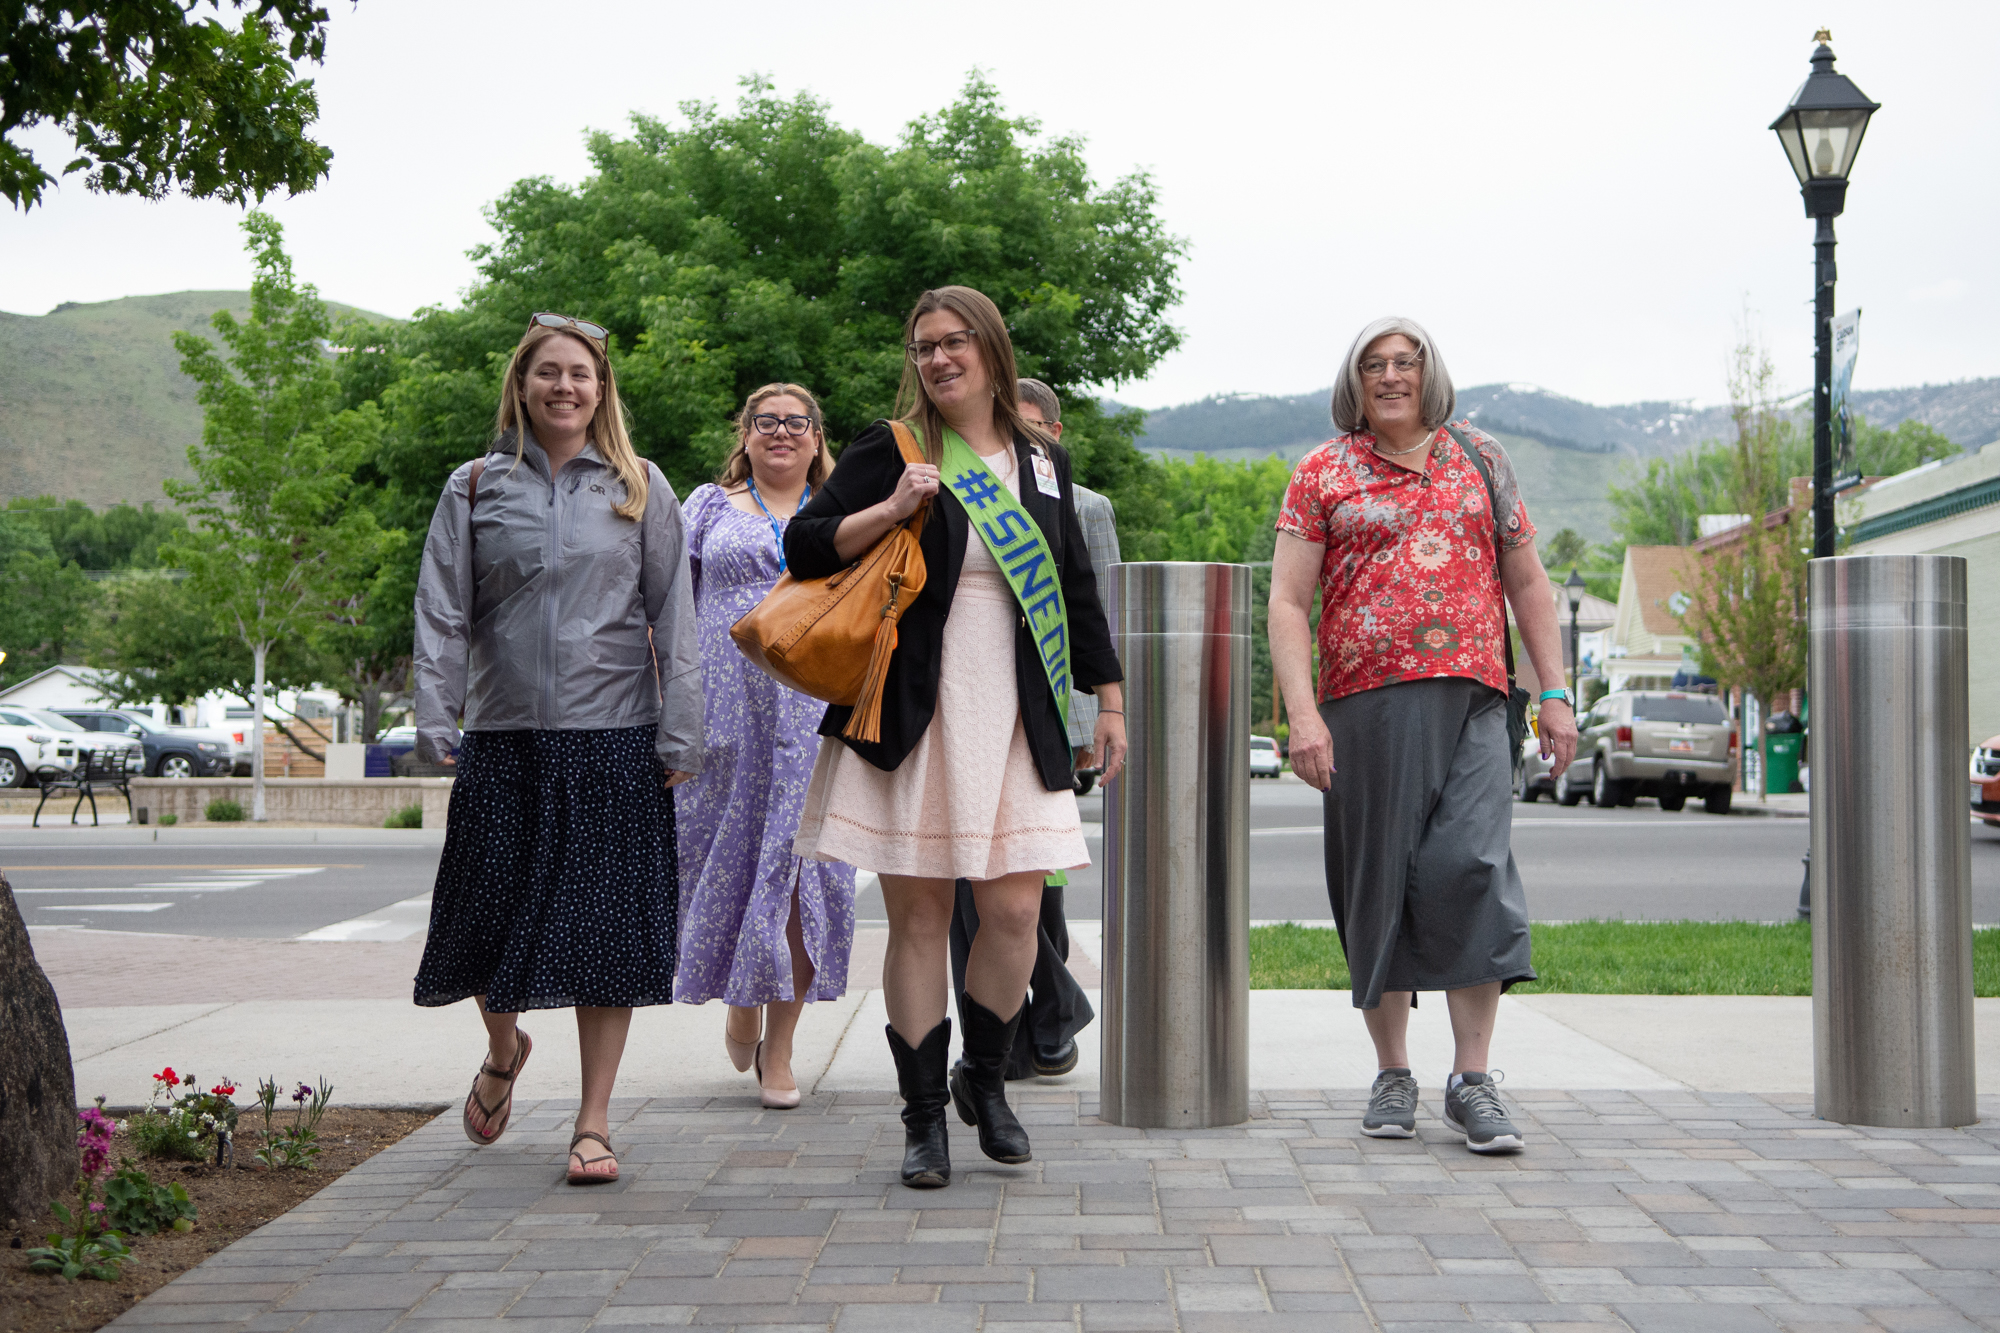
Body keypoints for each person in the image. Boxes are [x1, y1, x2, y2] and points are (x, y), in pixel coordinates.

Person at [787, 286, 1126, 1190]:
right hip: (916, 707)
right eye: (924, 346)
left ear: (990, 349)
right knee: (922, 916)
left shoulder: (1043, 463)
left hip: (1021, 708)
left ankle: (984, 1079)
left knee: (1016, 911)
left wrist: (1112, 702)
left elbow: (1076, 587)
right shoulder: (891, 449)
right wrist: (892, 507)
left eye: (954, 343)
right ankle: (923, 1118)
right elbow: (806, 546)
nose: (938, 359)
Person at [1267, 315, 1578, 1155]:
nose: (1393, 375)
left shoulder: (1481, 458)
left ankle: (1472, 1080)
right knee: (1380, 882)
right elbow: (1289, 604)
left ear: (1430, 373)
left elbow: (1526, 577)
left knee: (1471, 868)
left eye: (1408, 362)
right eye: (1377, 364)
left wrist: (1556, 692)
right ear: (1356, 380)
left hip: (1478, 698)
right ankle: (1394, 1070)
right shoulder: (1322, 472)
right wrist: (1302, 713)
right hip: (1364, 704)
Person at [412, 312, 702, 1186]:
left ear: (601, 388)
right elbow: (443, 608)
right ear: (523, 384)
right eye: (549, 372)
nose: (565, 386)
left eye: (581, 373)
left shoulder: (640, 485)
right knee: (481, 921)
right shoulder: (472, 487)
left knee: (605, 934)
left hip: (613, 736)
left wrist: (681, 725)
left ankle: (593, 1119)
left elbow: (675, 617)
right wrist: (437, 711)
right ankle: (504, 1048)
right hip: (504, 738)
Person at [672, 384, 856, 1109]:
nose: (781, 432)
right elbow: (669, 608)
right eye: (765, 421)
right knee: (727, 870)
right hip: (724, 723)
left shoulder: (842, 514)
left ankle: (779, 1050)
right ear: (744, 435)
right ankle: (741, 998)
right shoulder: (707, 508)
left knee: (805, 879)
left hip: (812, 723)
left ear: (816, 438)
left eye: (797, 422)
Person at [947, 377, 1113, 1081]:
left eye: (1033, 422)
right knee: (966, 891)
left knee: (1032, 891)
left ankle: (1047, 1015)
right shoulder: (953, 480)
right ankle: (1026, 1026)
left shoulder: (1084, 504)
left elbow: (1091, 607)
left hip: (1046, 720)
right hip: (966, 709)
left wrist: (1088, 720)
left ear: (1056, 430)